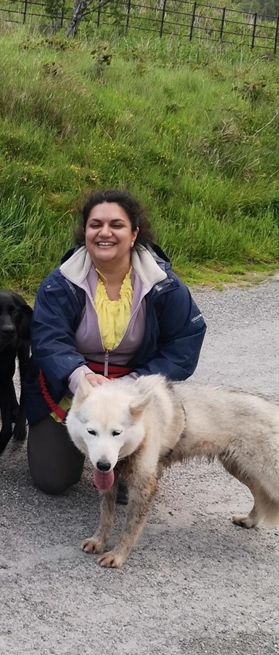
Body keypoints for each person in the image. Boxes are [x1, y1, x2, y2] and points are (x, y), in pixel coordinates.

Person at [23, 189, 206, 497]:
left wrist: (137, 385)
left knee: (130, 489)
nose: (104, 232)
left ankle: (124, 452)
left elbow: (184, 343)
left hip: (133, 391)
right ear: (84, 232)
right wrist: (80, 376)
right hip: (71, 389)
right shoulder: (59, 283)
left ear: (134, 233)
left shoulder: (165, 285)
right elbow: (47, 339)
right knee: (52, 481)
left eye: (116, 225)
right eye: (95, 225)